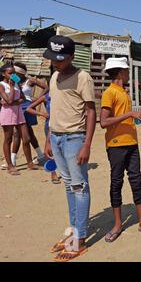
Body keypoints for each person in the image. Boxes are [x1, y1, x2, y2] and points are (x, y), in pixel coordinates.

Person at [43, 36, 96, 262]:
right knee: (68, 186)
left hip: (75, 139)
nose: (56, 63)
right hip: (56, 137)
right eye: (53, 59)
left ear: (72, 57)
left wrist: (87, 144)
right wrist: (48, 138)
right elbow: (54, 108)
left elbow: (91, 111)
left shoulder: (83, 78)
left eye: (61, 59)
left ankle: (79, 239)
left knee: (79, 187)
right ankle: (74, 232)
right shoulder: (54, 76)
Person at [100, 57, 141, 241]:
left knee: (136, 182)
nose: (128, 74)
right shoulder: (109, 93)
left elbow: (125, 119)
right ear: (120, 72)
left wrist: (137, 117)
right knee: (116, 183)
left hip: (132, 144)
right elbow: (104, 122)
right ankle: (117, 224)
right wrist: (129, 114)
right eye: (127, 71)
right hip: (116, 145)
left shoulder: (124, 92)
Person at [0, 63, 40, 175]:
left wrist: (13, 102)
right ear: (4, 74)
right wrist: (12, 88)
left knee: (26, 138)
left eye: (14, 73)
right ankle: (10, 165)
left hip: (19, 113)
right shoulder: (2, 85)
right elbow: (8, 100)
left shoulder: (17, 83)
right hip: (7, 114)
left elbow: (23, 98)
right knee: (8, 139)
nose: (13, 75)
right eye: (10, 73)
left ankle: (30, 163)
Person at [9, 62, 49, 167]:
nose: (13, 74)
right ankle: (40, 155)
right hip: (18, 108)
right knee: (27, 133)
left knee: (19, 134)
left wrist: (37, 99)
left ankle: (13, 161)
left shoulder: (29, 80)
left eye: (15, 72)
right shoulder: (16, 80)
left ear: (21, 73)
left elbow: (46, 87)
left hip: (27, 109)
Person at [25, 92, 61, 184]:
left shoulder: (63, 94)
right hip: (49, 125)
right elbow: (28, 108)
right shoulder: (46, 97)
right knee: (50, 149)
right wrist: (41, 113)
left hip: (63, 124)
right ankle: (53, 173)